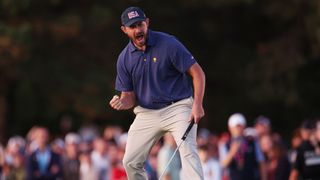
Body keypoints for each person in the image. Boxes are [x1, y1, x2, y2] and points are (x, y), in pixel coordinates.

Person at [109, 6, 205, 180]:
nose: (138, 30)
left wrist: (197, 104)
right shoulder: (124, 59)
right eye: (132, 27)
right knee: (130, 161)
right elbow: (129, 97)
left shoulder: (168, 44)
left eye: (140, 24)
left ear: (147, 23)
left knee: (188, 151)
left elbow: (197, 73)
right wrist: (122, 102)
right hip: (146, 113)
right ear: (124, 30)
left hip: (178, 106)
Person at [220, 113, 266, 180]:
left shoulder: (252, 142)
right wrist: (232, 152)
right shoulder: (225, 144)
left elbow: (261, 162)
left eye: (240, 126)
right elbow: (223, 164)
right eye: (236, 127)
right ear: (230, 128)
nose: (238, 129)